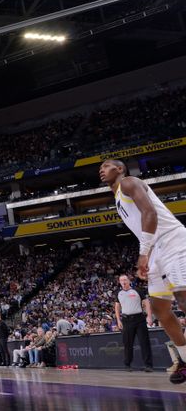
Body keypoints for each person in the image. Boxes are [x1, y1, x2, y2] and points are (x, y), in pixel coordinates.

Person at [100, 158, 186, 383]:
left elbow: (151, 213)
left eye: (106, 166)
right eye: (100, 168)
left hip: (172, 241)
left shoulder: (128, 182)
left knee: (183, 298)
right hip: (155, 251)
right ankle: (185, 359)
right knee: (160, 310)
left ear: (119, 169)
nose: (101, 170)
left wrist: (143, 253)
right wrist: (149, 256)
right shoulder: (117, 197)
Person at [114, 274, 153, 372]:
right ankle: (127, 365)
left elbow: (146, 302)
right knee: (128, 343)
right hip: (126, 320)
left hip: (139, 319)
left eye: (125, 279)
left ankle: (148, 365)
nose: (123, 281)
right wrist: (118, 320)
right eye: (121, 280)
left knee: (144, 342)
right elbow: (117, 307)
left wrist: (149, 316)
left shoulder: (137, 290)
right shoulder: (118, 293)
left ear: (129, 280)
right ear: (119, 282)